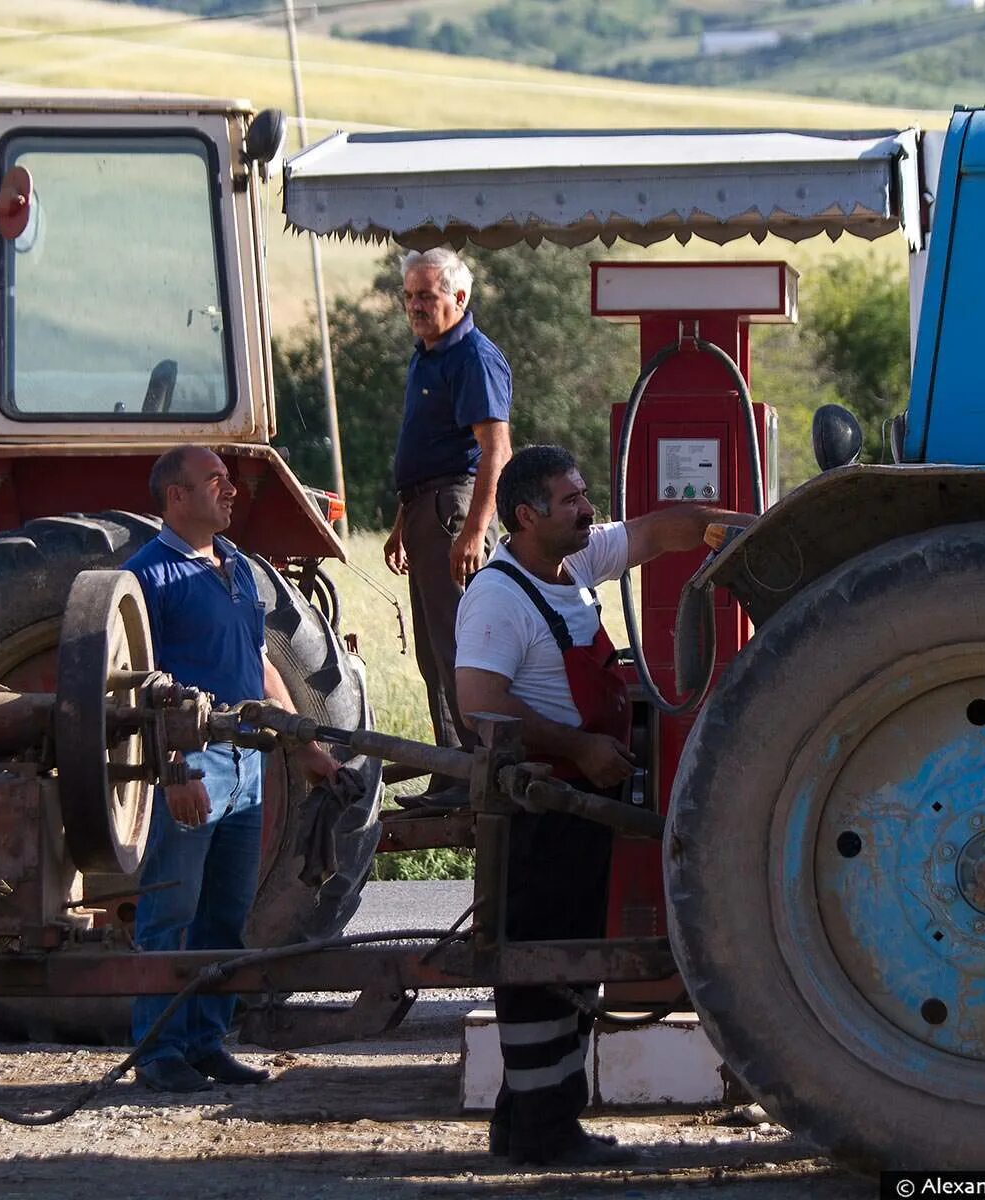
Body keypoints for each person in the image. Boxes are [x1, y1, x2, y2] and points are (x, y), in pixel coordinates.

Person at [452, 444, 750, 1165]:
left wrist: (742, 529)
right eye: (571, 499)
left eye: (585, 495)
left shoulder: (574, 563)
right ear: (526, 516)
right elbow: (479, 709)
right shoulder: (498, 597)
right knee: (539, 963)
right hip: (539, 808)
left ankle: (524, 1125)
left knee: (568, 963)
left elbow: (655, 532)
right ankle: (545, 1134)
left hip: (583, 802)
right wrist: (577, 748)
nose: (588, 509)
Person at [123, 445, 341, 1093]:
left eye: (227, 479)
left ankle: (204, 1042)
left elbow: (260, 664)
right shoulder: (145, 578)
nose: (230, 490)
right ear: (175, 499)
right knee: (170, 911)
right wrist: (174, 768)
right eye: (213, 481)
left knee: (224, 913)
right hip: (190, 765)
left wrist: (300, 742)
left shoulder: (239, 568)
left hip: (247, 764)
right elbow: (138, 686)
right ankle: (157, 1053)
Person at [384, 247, 512, 807]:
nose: (415, 306)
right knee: (434, 649)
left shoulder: (473, 358)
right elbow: (422, 449)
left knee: (459, 642)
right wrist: (398, 525)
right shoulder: (426, 354)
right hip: (422, 510)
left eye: (426, 297)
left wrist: (471, 532)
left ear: (459, 299)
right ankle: (450, 771)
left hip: (450, 511)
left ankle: (471, 775)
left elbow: (496, 450)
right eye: (409, 296)